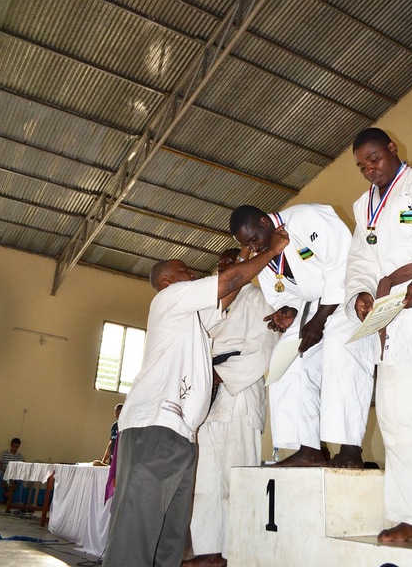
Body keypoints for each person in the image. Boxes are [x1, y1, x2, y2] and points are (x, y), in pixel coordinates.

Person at [102, 225, 289, 567]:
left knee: (169, 534)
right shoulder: (169, 300)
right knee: (138, 529)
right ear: (167, 282)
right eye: (184, 271)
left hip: (182, 433)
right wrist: (271, 252)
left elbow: (228, 293)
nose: (193, 273)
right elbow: (228, 284)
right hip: (154, 427)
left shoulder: (195, 316)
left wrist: (246, 256)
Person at [345, 127, 412, 543]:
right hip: (393, 321)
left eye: (374, 158)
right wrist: (360, 292)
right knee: (399, 421)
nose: (369, 169)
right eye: (361, 166)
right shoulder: (364, 207)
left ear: (392, 149)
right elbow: (359, 260)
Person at [230, 204, 374, 468]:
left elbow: (342, 263)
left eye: (254, 240)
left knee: (341, 353)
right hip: (312, 307)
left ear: (264, 221)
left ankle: (350, 450)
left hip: (346, 294)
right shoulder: (263, 255)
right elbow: (284, 294)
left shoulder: (307, 218)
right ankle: (308, 448)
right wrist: (287, 310)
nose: (253, 248)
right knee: (286, 364)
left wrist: (318, 321)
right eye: (247, 245)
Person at [183, 248, 277, 567]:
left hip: (238, 394)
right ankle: (209, 551)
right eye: (220, 265)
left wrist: (218, 375)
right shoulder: (211, 308)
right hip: (207, 398)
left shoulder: (258, 300)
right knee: (206, 481)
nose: (223, 269)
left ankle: (236, 552)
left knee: (236, 479)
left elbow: (262, 350)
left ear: (244, 267)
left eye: (231, 263)